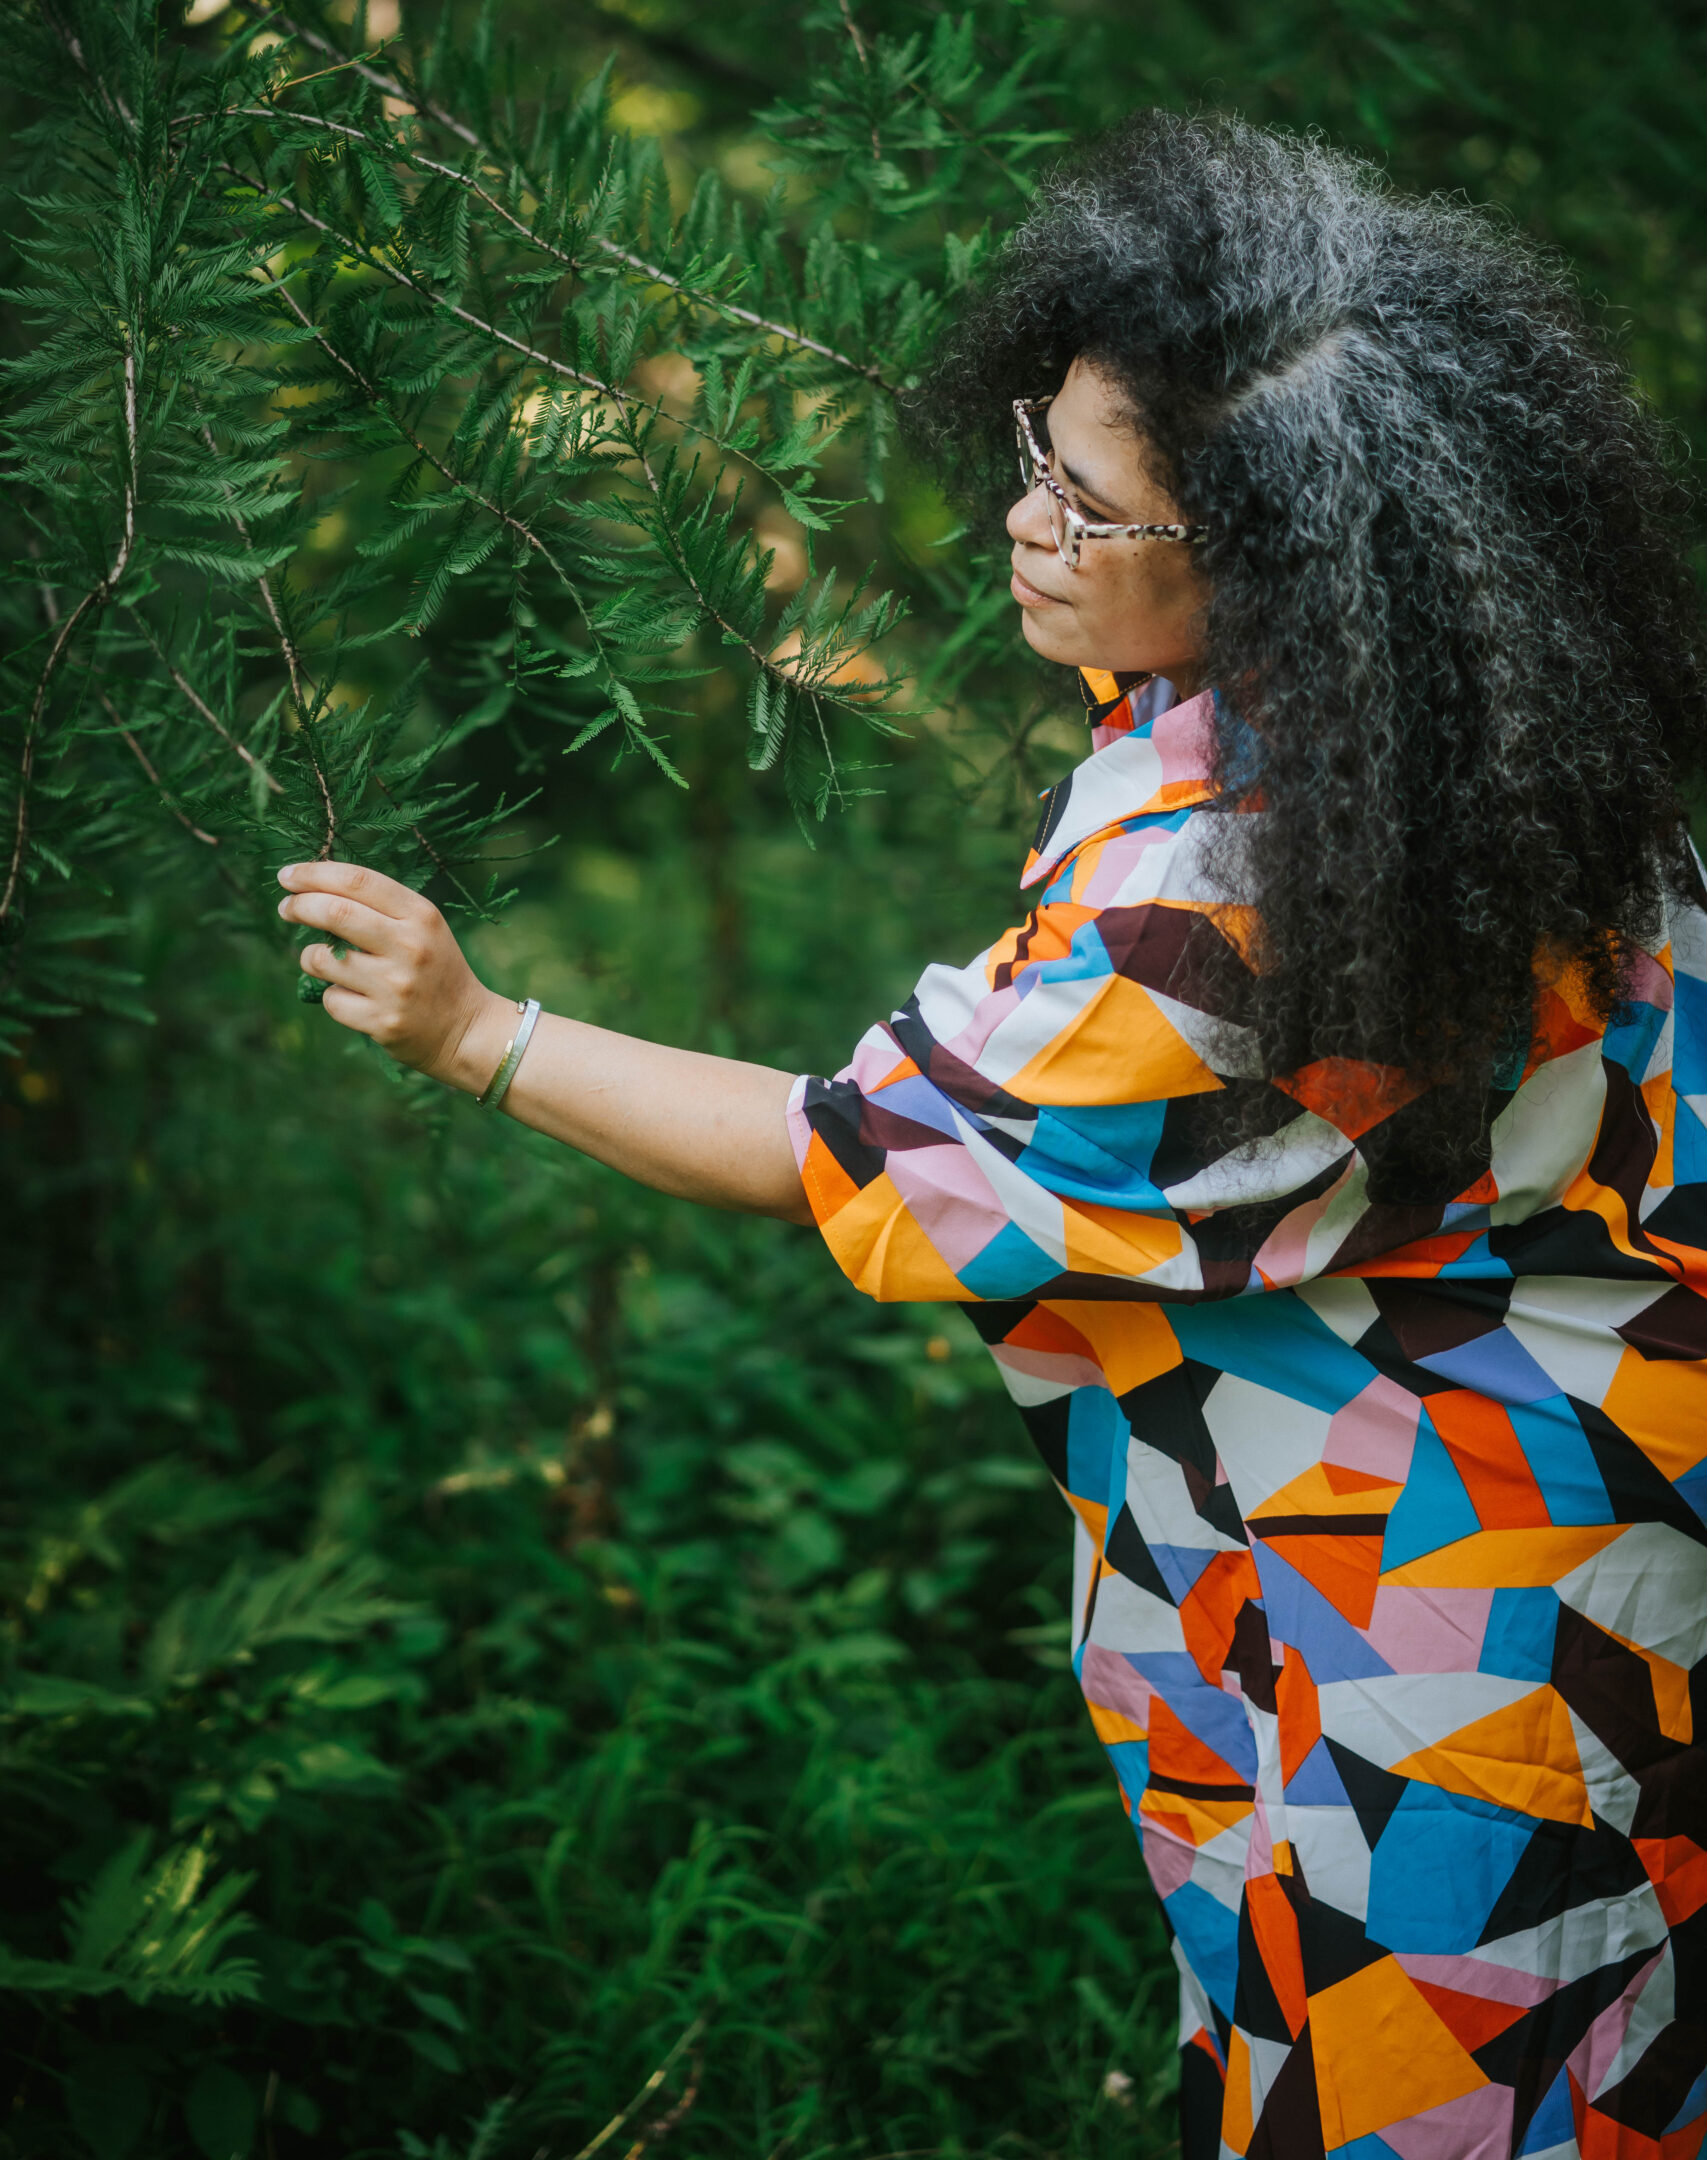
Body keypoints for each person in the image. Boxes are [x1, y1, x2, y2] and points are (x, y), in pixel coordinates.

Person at [279, 113, 1707, 2160]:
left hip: (1452, 1598)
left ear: (1272, 556)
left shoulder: (1236, 890)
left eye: (1083, 499)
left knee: (1448, 2094)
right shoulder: (1466, 717)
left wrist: (476, 1027)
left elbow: (844, 1151)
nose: (1020, 522)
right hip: (1522, 1501)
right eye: (1032, 451)